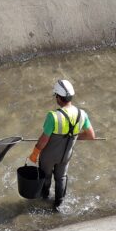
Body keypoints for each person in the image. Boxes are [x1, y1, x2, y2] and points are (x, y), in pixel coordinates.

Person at [27, 79, 97, 211]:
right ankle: (58, 205)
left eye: (55, 96)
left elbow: (43, 141)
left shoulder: (53, 116)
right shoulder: (82, 114)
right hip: (66, 155)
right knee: (61, 177)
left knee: (46, 175)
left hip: (49, 155)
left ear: (58, 97)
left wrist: (34, 153)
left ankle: (45, 197)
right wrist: (74, 137)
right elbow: (91, 136)